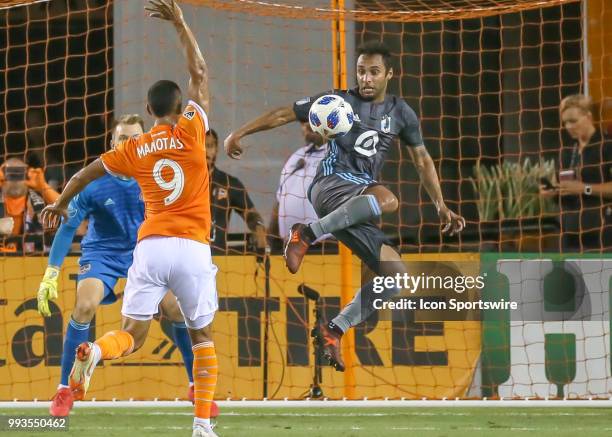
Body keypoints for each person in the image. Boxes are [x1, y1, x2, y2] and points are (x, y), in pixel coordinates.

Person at [225, 41, 465, 372]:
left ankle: (334, 330)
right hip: (329, 186)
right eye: (361, 71)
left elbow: (422, 158)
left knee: (395, 278)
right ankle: (307, 233)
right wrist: (239, 132)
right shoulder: (338, 101)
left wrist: (441, 207)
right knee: (389, 200)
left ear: (389, 74)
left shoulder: (401, 114)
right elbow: (284, 112)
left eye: (374, 72)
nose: (366, 79)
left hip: (357, 203)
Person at [42, 1, 219, 436]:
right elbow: (200, 73)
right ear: (182, 106)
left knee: (132, 334)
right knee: (203, 336)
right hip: (193, 246)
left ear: (148, 109)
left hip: (151, 247)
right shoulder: (195, 130)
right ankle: (201, 424)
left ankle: (97, 354)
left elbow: (86, 172)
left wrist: (61, 201)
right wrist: (180, 23)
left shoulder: (134, 151)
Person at [37, 114, 196, 417]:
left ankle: (194, 384)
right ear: (112, 143)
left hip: (145, 253)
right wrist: (51, 273)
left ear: (144, 140)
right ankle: (64, 391)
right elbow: (68, 226)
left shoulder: (156, 173)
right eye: (123, 138)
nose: (130, 143)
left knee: (177, 310)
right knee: (84, 306)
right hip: (103, 255)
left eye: (135, 137)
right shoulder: (95, 180)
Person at [540, 94, 612, 252]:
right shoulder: (566, 152)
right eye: (565, 122)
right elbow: (563, 188)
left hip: (602, 234)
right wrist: (552, 191)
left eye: (573, 121)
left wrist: (584, 188)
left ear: (588, 117)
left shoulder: (607, 146)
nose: (568, 126)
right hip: (569, 234)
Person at [268, 122, 329, 248]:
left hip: (325, 246)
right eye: (303, 121)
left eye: (312, 120)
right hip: (288, 245)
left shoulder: (339, 156)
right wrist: (270, 238)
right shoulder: (296, 156)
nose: (306, 125)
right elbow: (280, 200)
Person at [205, 128, 266, 254]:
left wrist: (258, 227)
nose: (206, 151)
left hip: (218, 261)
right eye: (201, 146)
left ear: (216, 149)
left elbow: (251, 214)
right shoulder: (182, 183)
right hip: (187, 261)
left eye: (209, 146)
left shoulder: (229, 183)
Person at [0, 157, 59, 251]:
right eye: (10, 173)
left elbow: (71, 210)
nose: (15, 180)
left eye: (19, 173)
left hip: (34, 261)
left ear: (27, 175)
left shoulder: (41, 203)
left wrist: (43, 186)